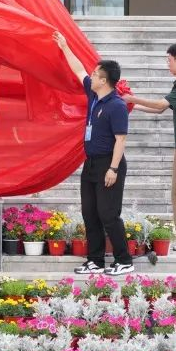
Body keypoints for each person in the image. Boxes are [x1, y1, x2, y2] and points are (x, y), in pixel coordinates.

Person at [53, 31, 133, 276]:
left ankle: (124, 260)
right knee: (90, 213)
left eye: (96, 74)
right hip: (90, 163)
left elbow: (121, 140)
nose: (91, 76)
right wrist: (65, 46)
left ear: (105, 81)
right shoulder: (94, 96)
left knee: (109, 214)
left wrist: (113, 169)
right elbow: (78, 70)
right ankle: (96, 261)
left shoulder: (116, 105)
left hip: (109, 164)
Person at [124, 43, 176, 251]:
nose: (167, 63)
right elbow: (161, 110)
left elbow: (160, 105)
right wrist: (133, 107)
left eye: (169, 59)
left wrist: (131, 98)